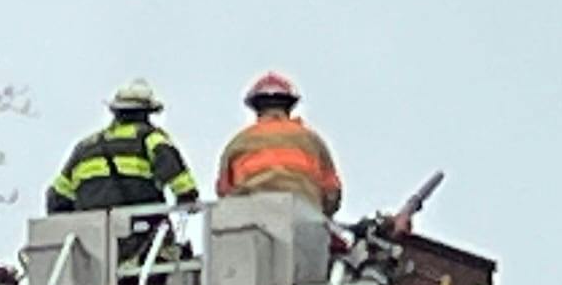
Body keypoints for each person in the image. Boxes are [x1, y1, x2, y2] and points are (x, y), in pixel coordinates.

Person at [45, 81, 197, 215]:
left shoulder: (86, 147)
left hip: (89, 237)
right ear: (147, 112)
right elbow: (180, 180)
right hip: (140, 232)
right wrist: (187, 200)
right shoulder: (151, 138)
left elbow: (57, 199)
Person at [215, 72, 342, 216]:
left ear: (256, 107)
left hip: (252, 220)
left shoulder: (237, 143)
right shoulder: (311, 140)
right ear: (289, 106)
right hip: (304, 219)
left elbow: (224, 192)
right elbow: (331, 191)